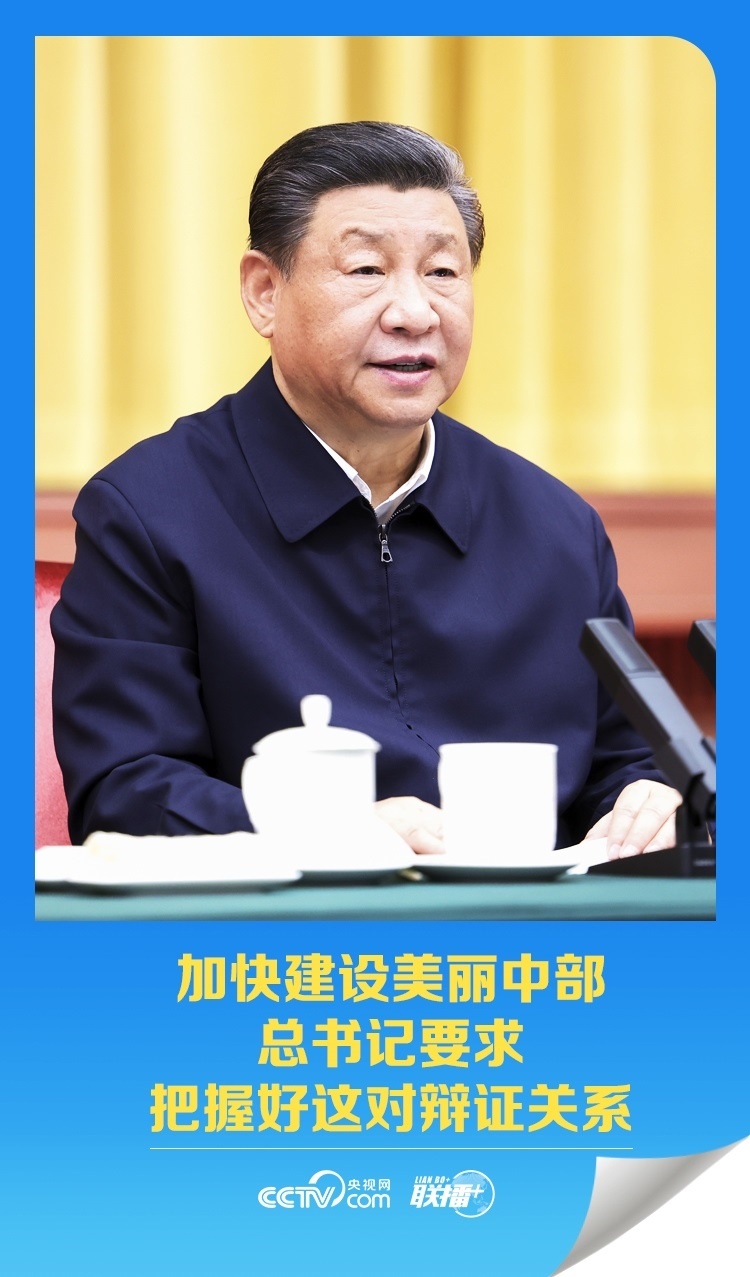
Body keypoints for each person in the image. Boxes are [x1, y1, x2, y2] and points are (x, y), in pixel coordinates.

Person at [51, 120, 680, 857]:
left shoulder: (557, 527)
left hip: (531, 927)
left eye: (442, 272)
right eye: (366, 270)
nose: (414, 312)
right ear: (264, 292)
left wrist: (657, 801)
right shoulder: (151, 511)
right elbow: (127, 790)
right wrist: (330, 833)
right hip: (287, 924)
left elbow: (632, 765)